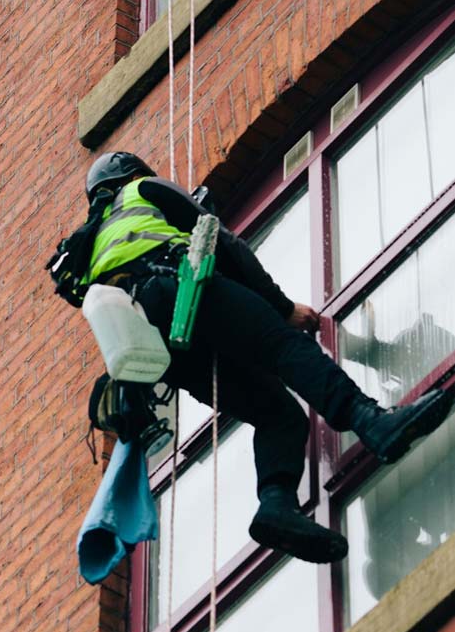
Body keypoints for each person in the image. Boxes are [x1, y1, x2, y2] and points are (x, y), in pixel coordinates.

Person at [78, 151, 455, 564]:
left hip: (161, 345)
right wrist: (281, 308)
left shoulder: (91, 245)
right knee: (284, 346)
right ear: (132, 174)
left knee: (277, 414)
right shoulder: (143, 189)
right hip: (177, 286)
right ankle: (372, 423)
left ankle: (276, 505)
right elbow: (221, 242)